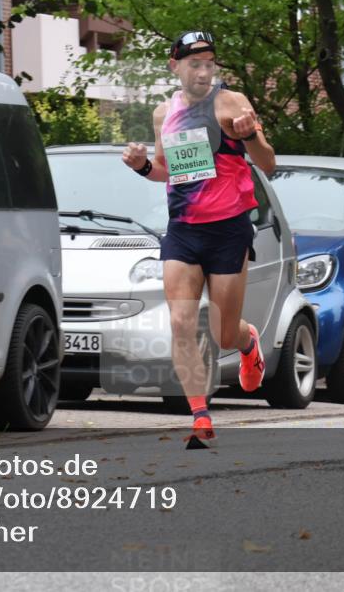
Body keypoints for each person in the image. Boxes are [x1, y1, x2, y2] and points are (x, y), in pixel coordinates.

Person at [121, 31, 276, 445]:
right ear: (175, 67)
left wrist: (249, 136)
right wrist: (140, 166)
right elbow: (164, 170)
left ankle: (247, 343)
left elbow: (268, 163)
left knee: (224, 333)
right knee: (181, 320)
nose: (204, 70)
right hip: (184, 231)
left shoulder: (233, 103)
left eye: (209, 62)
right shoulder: (162, 113)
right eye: (194, 63)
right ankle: (200, 417)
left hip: (228, 229)